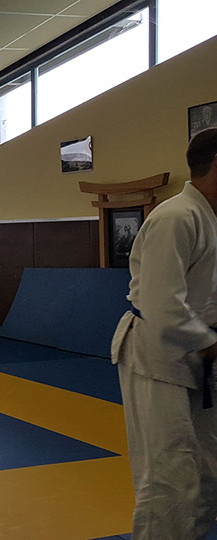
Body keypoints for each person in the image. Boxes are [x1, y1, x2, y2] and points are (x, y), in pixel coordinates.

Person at [111, 128, 217, 540]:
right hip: (158, 357)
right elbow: (161, 305)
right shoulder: (177, 217)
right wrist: (209, 342)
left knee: (208, 474)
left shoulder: (209, 217)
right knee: (170, 479)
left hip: (198, 355)